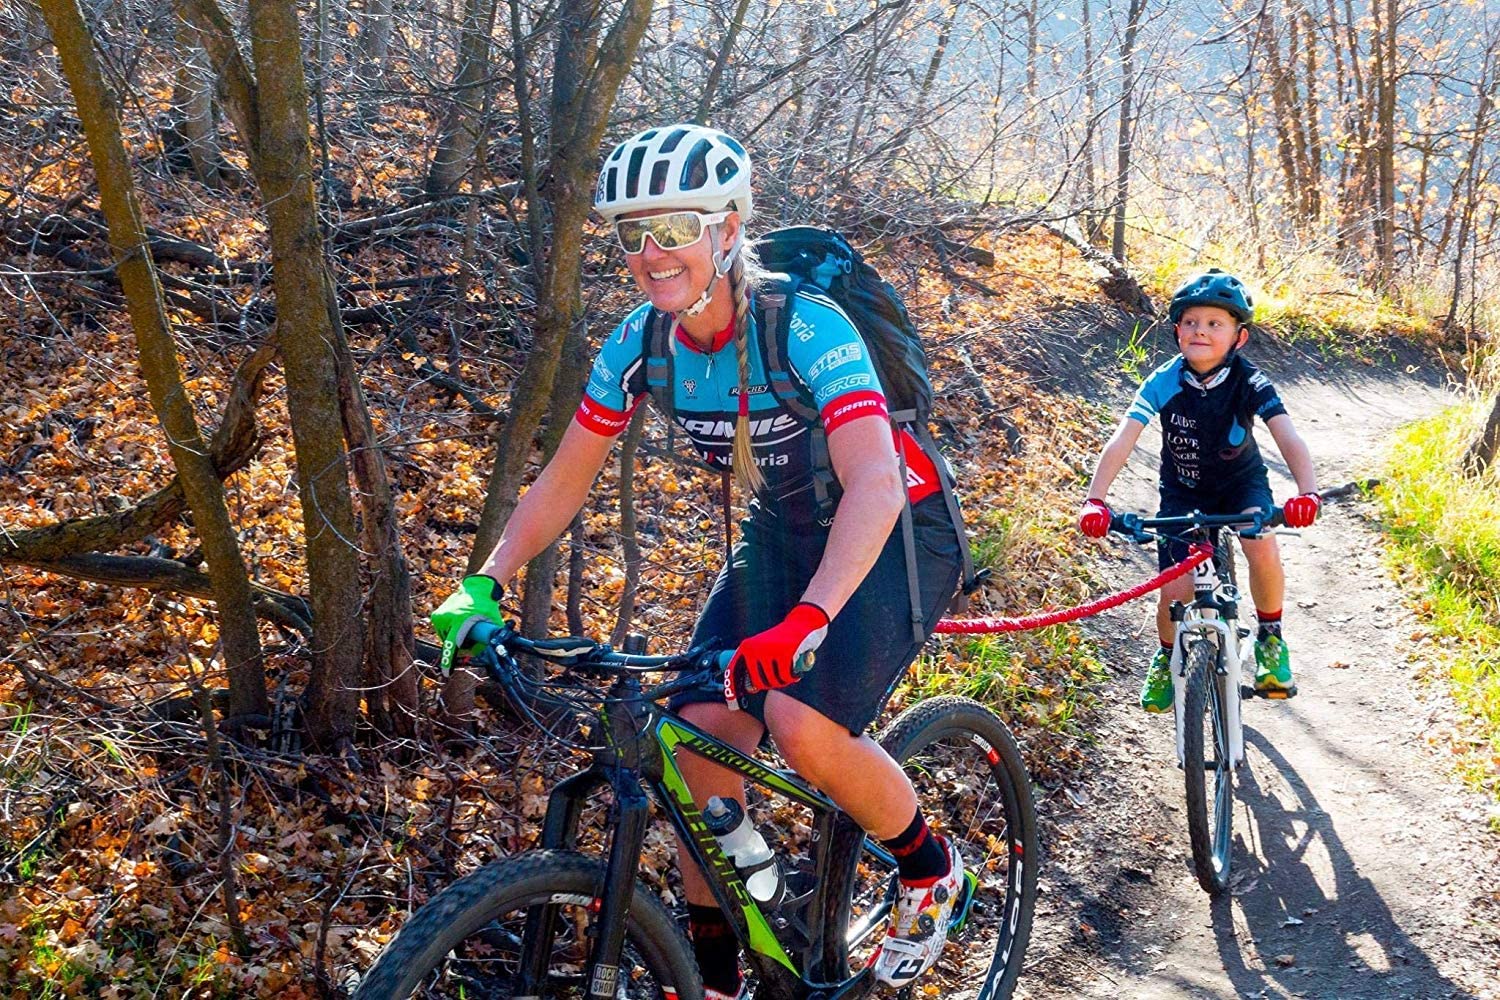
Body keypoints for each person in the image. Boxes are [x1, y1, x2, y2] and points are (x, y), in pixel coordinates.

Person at [430, 124, 969, 997]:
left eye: (676, 226)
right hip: (780, 534)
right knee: (694, 748)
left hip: (900, 526)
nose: (652, 253)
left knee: (802, 724)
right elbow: (563, 481)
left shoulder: (805, 326)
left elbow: (871, 481)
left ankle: (930, 868)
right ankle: (718, 979)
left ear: (727, 228)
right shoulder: (640, 343)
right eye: (631, 233)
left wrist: (811, 618)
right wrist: (483, 580)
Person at [1076, 268, 1321, 711]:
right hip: (1183, 492)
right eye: (1190, 322)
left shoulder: (1250, 381)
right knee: (1174, 588)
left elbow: (1288, 435)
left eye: (1215, 323)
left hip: (1240, 485)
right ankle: (1166, 655)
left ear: (1238, 337)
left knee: (1261, 545)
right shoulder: (1164, 380)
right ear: (1176, 330)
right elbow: (1124, 437)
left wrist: (1307, 492)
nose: (1201, 331)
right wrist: (1095, 499)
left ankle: (1270, 637)